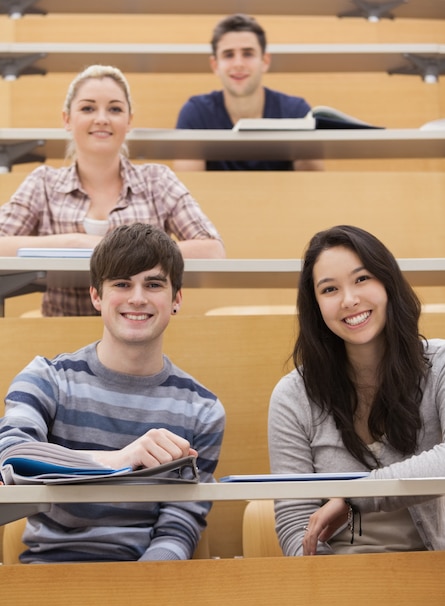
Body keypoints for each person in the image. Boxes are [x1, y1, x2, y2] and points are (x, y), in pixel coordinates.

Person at [0, 223, 225, 563]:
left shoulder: (203, 409)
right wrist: (117, 461)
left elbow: (182, 521)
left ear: (176, 298)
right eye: (122, 284)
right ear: (96, 296)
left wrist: (141, 591)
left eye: (153, 284)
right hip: (49, 576)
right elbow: (13, 459)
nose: (137, 297)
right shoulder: (45, 378)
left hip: (150, 585)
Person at [268, 224, 445, 556]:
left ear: (388, 282)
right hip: (337, 584)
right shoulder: (292, 396)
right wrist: (337, 591)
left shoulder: (440, 366)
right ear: (316, 306)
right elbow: (295, 523)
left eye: (362, 279)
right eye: (330, 289)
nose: (349, 300)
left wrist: (353, 496)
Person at [0, 64, 225, 316]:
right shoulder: (43, 183)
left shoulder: (156, 180)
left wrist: (116, 250)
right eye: (88, 108)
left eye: (115, 109)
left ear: (128, 121)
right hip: (61, 337)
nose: (102, 118)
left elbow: (212, 251)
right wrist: (75, 243)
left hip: (142, 333)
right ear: (67, 119)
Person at [174, 13, 323, 172]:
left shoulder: (296, 112)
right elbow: (186, 189)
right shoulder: (196, 113)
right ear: (215, 65)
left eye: (248, 54)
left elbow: (313, 188)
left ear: (265, 61)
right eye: (229, 55)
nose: (238, 64)